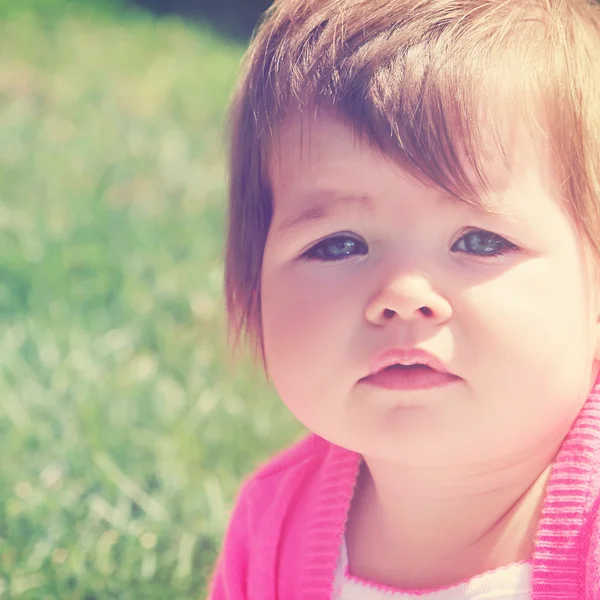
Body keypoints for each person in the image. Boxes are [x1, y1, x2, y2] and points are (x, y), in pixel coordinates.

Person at [208, 0, 600, 597]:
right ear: (252, 289)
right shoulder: (273, 526)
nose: (403, 297)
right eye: (339, 245)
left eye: (480, 241)